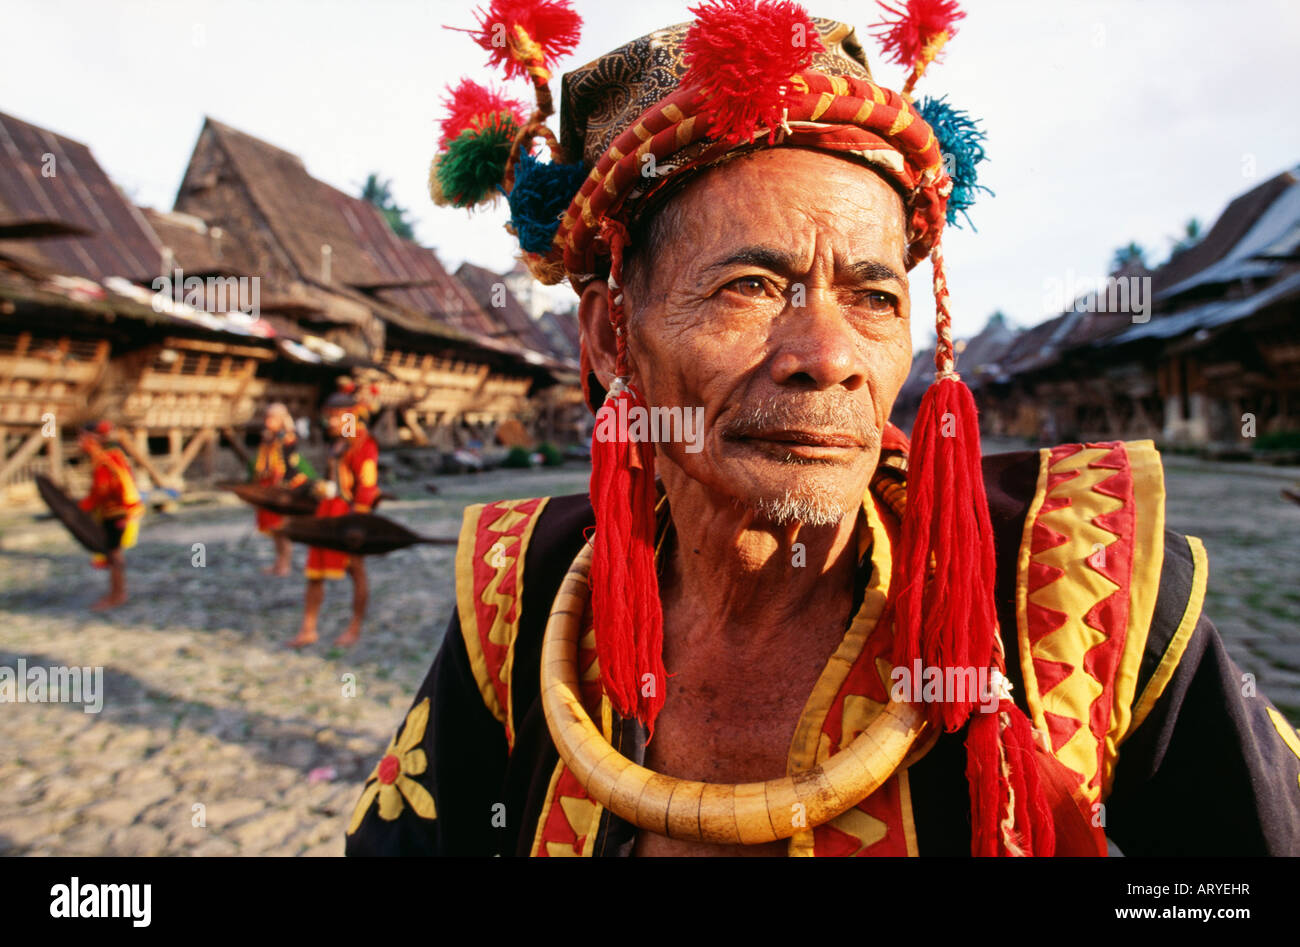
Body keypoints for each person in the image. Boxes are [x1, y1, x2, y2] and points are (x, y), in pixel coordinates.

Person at [346, 1, 1300, 856]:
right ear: (611, 332)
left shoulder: (1078, 586)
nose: (831, 353)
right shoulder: (521, 598)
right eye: (751, 286)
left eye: (874, 295)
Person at [288, 381, 380, 650]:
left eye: (334, 416)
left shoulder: (362, 443)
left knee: (355, 570)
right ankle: (308, 629)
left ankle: (354, 627)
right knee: (314, 572)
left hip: (348, 516)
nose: (329, 421)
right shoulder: (339, 443)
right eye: (328, 416)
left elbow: (367, 486)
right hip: (328, 511)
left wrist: (358, 521)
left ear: (349, 415)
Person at [77, 420, 143, 611]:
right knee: (114, 553)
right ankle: (117, 592)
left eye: (83, 438)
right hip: (112, 512)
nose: (80, 443)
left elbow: (103, 490)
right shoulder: (109, 457)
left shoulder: (107, 461)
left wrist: (83, 507)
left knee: (114, 554)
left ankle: (118, 594)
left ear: (93, 439)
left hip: (117, 513)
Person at [252, 402, 309, 576]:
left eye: (272, 418)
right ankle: (278, 563)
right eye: (267, 417)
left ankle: (285, 565)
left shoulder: (286, 437)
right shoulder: (269, 438)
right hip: (270, 486)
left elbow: (288, 452)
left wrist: (286, 425)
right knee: (274, 529)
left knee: (282, 528)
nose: (268, 421)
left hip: (285, 487)